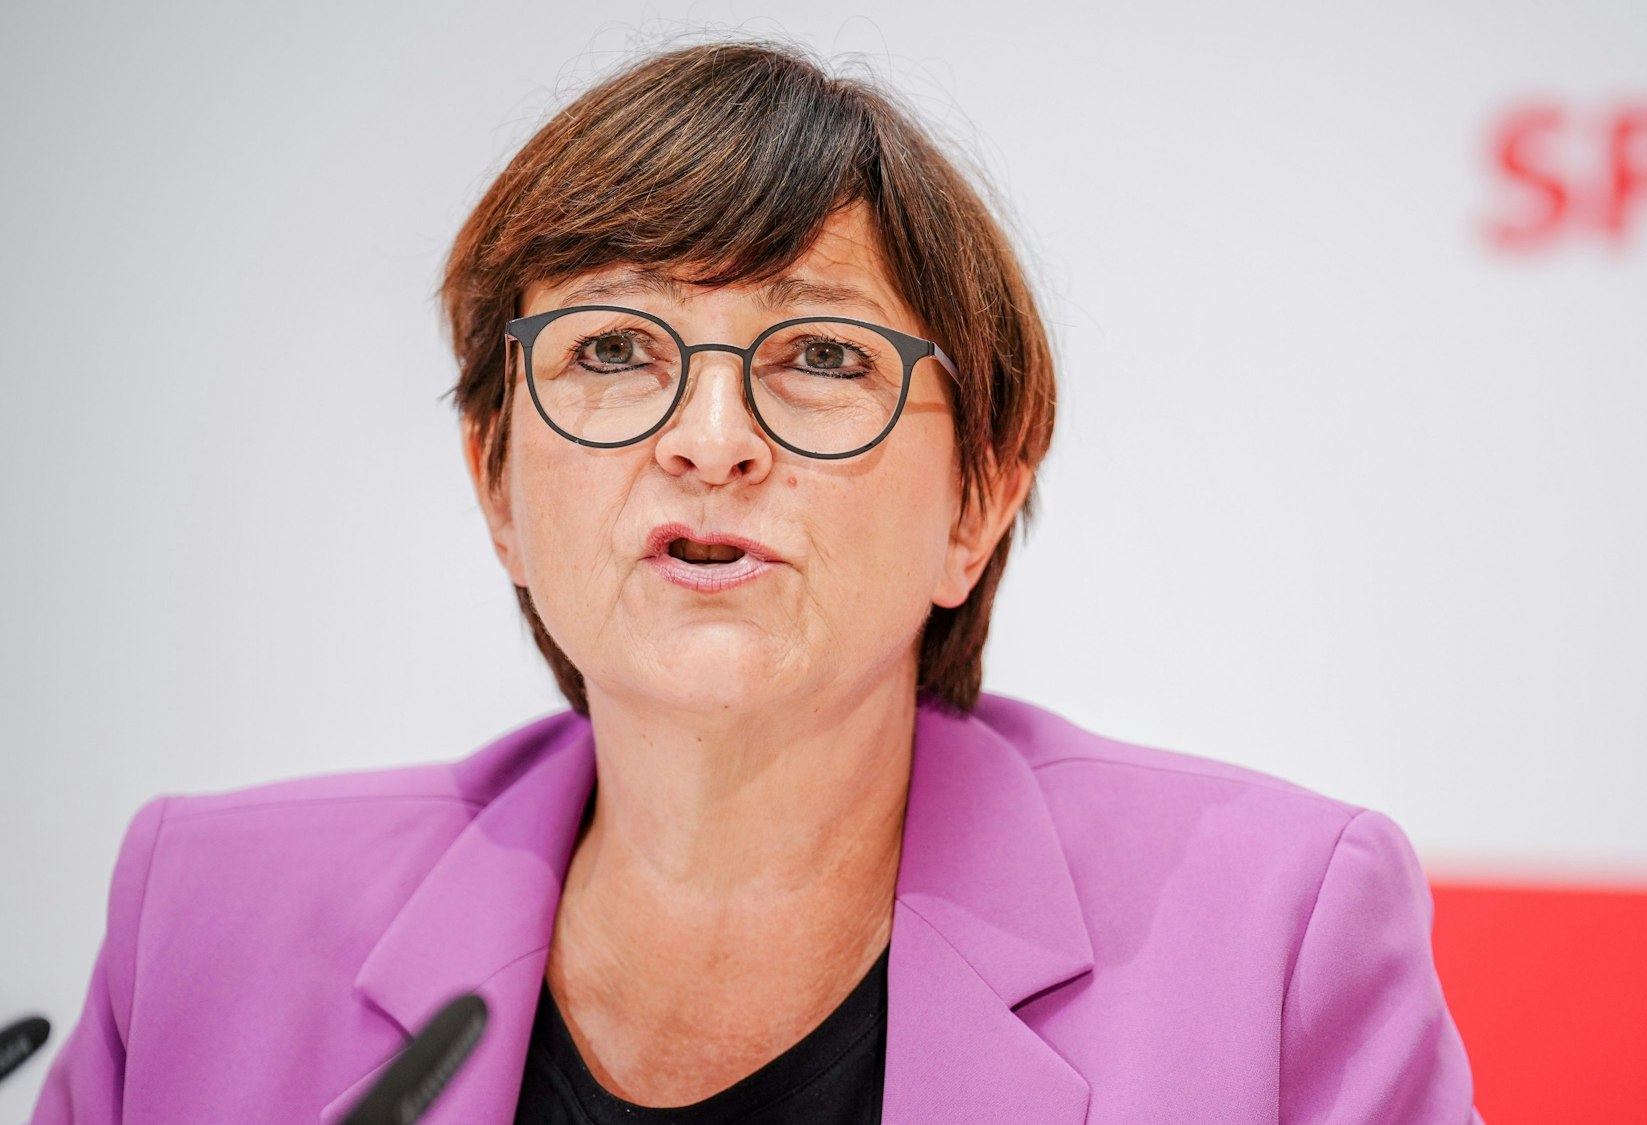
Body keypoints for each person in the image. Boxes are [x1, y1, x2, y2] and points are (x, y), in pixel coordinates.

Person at [29, 37, 1481, 1124]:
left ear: (979, 495)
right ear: (497, 487)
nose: (709, 442)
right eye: (610, 352)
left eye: (822, 358)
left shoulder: (1269, 939)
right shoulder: (208, 918)